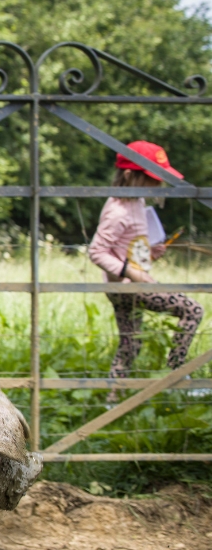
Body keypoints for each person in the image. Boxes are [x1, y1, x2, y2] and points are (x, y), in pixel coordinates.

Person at [88, 140, 203, 383]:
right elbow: (97, 251)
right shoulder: (118, 211)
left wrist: (148, 253)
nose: (158, 184)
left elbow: (124, 246)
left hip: (126, 283)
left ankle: (113, 395)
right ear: (130, 176)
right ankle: (178, 373)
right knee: (192, 310)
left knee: (130, 344)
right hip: (131, 284)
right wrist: (133, 273)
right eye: (152, 178)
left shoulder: (136, 202)